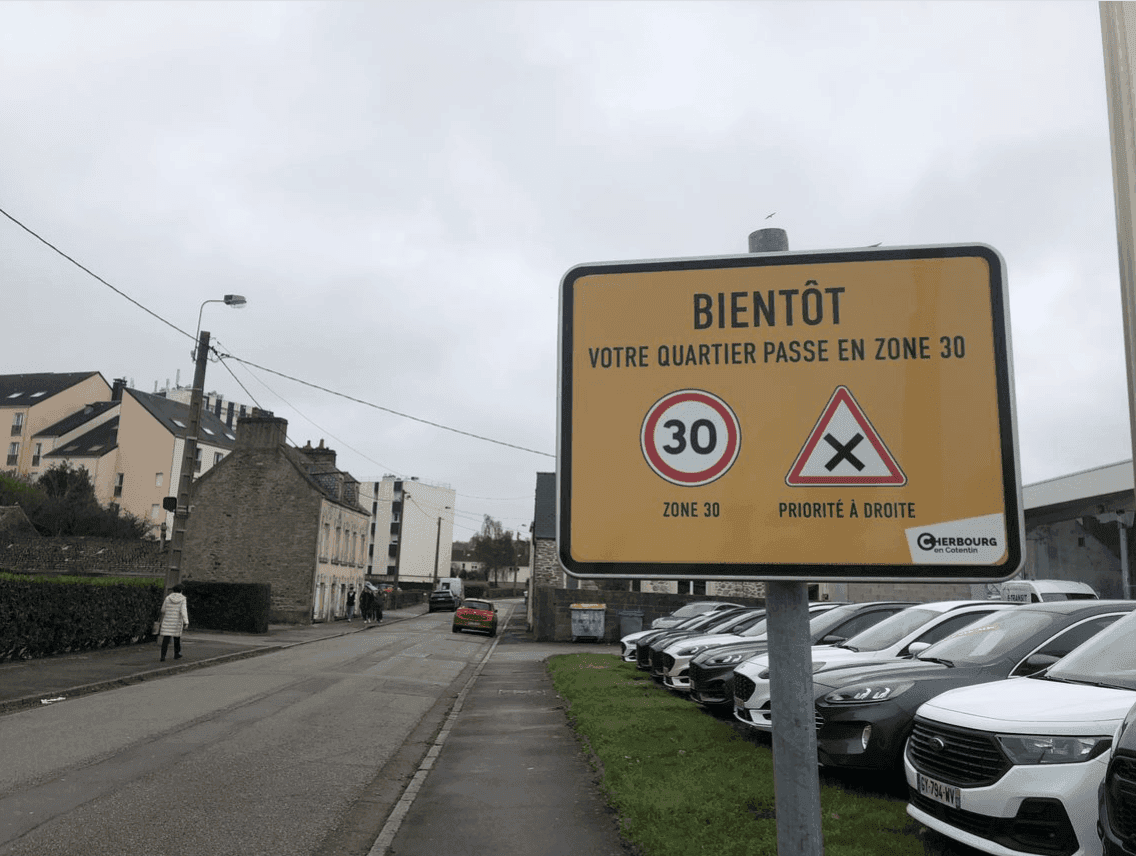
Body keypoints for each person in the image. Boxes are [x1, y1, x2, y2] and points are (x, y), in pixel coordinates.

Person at [159, 584, 189, 662]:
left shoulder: (167, 598)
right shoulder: (183, 599)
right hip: (177, 622)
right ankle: (176, 654)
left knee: (165, 639)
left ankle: (163, 656)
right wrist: (186, 622)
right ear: (181, 591)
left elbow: (163, 610)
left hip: (167, 620)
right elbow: (183, 611)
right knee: (177, 638)